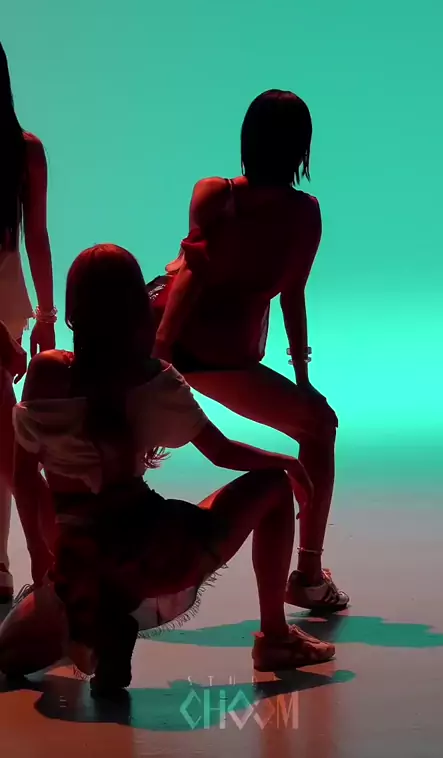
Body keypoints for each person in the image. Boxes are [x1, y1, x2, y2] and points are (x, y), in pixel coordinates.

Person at [4, 244, 334, 696]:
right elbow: (222, 453)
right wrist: (289, 463)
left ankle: (95, 621)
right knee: (273, 488)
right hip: (154, 554)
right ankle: (275, 637)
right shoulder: (154, 378)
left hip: (78, 560)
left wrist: (47, 559)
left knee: (9, 659)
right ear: (138, 309)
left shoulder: (46, 374)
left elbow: (25, 478)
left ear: (75, 310)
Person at [152, 89, 348, 610]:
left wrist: (159, 357)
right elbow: (291, 294)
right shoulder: (304, 212)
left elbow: (191, 274)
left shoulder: (214, 193)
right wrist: (302, 377)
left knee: (121, 443)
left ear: (247, 140)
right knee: (319, 428)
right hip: (216, 356)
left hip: (178, 341)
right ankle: (308, 574)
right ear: (301, 148)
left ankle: (74, 568)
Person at [0, 44, 56, 604]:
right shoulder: (25, 150)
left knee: (7, 446)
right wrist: (44, 314)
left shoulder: (25, 151)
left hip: (5, 302)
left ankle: (46, 567)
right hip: (9, 293)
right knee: (7, 444)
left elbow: (36, 234)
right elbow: (36, 236)